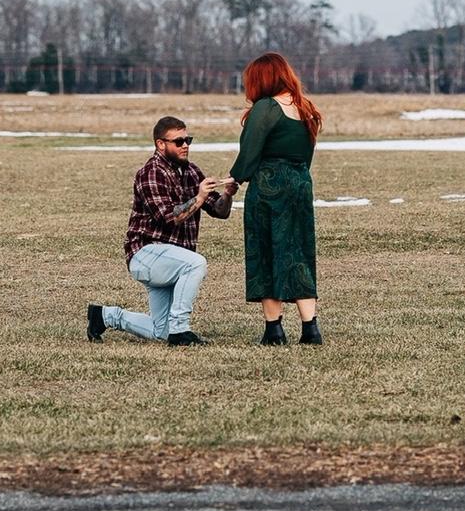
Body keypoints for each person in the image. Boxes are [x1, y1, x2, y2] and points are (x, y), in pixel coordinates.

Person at [88, 115, 236, 346]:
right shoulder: (150, 172)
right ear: (160, 144)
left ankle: (104, 316)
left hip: (172, 260)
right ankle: (181, 330)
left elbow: (220, 211)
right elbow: (168, 217)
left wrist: (227, 194)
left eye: (188, 140)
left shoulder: (191, 171)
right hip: (146, 254)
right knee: (196, 263)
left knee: (161, 331)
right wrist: (199, 197)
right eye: (178, 141)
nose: (185, 145)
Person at [222, 52, 323, 346]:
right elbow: (306, 156)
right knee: (299, 251)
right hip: (300, 183)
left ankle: (274, 330)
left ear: (263, 79)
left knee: (265, 251)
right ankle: (310, 328)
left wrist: (235, 177)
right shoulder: (306, 108)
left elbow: (250, 151)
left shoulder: (266, 107)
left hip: (269, 185)